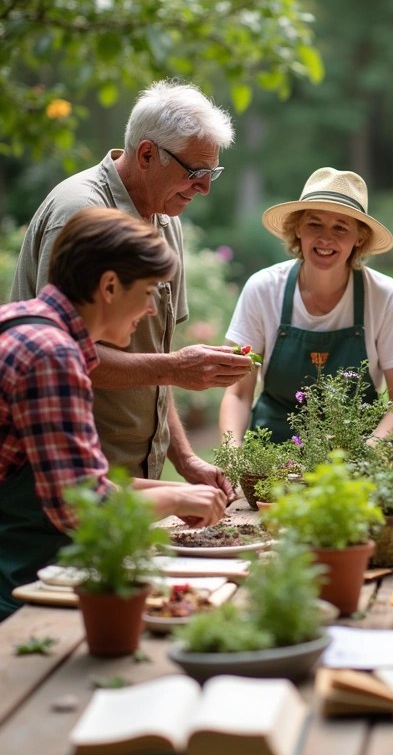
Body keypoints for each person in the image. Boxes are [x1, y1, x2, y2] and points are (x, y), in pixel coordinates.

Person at [11, 79, 253, 490]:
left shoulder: (165, 220)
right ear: (146, 154)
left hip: (134, 482)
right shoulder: (81, 213)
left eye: (212, 172)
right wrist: (177, 368)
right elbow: (66, 353)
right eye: (195, 172)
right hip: (65, 479)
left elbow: (155, 355)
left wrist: (186, 459)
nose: (205, 188)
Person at [0, 208, 232, 621]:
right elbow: (82, 507)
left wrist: (169, 495)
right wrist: (175, 495)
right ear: (109, 286)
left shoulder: (24, 321)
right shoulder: (52, 355)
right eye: (146, 293)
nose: (149, 310)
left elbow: (75, 483)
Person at [219, 166, 393, 444]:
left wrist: (368, 452)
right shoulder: (263, 288)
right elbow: (238, 393)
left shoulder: (384, 295)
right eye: (314, 223)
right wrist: (235, 454)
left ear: (360, 237)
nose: (326, 238)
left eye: (341, 227)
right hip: (270, 455)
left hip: (353, 455)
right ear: (298, 228)